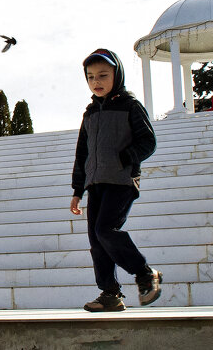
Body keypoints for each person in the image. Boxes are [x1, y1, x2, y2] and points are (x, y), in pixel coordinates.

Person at [70, 47, 163, 312]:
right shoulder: (89, 114)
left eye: (103, 75)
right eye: (90, 77)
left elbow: (149, 141)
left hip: (121, 181)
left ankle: (145, 273)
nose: (96, 82)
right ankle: (110, 293)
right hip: (95, 183)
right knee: (96, 242)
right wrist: (78, 189)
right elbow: (82, 153)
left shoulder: (130, 105)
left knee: (106, 230)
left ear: (117, 74)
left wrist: (127, 158)